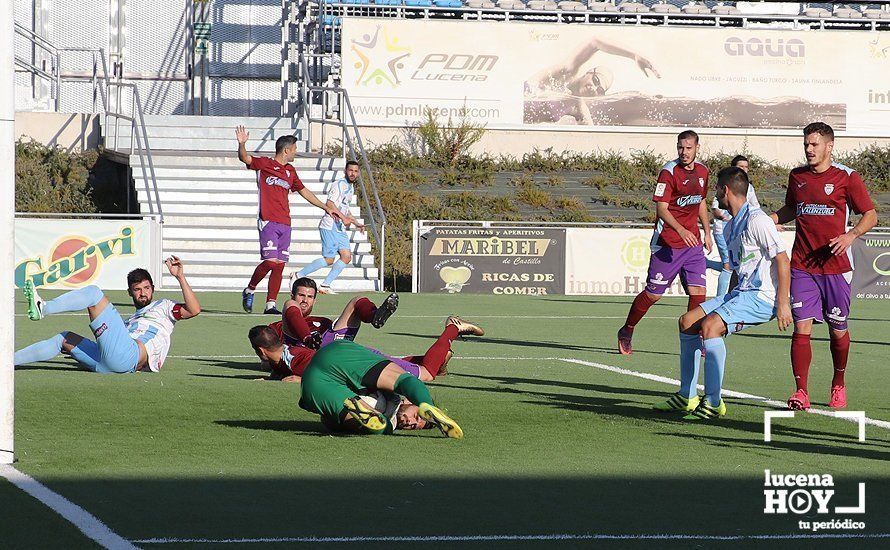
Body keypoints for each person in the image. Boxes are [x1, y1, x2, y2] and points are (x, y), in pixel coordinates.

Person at [654, 167, 792, 418]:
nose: (714, 192)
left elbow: (782, 260)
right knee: (687, 322)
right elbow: (741, 270)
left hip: (763, 297)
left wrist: (783, 304)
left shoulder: (757, 220)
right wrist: (726, 305)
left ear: (725, 190)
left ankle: (714, 402)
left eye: (716, 188)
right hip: (741, 293)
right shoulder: (730, 227)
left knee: (711, 327)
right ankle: (686, 395)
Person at [769, 122, 877, 410]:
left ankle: (838, 382)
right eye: (806, 144)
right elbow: (792, 208)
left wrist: (851, 235)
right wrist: (771, 221)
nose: (809, 149)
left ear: (829, 146)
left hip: (837, 268)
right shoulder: (798, 176)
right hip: (802, 265)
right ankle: (800, 391)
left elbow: (870, 214)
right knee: (801, 327)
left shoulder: (846, 177)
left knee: (837, 330)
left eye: (814, 144)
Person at [14, 257, 201, 373]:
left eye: (146, 288)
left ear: (152, 288)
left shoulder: (164, 306)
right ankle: (8, 362)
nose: (143, 293)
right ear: (130, 292)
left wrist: (180, 277)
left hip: (128, 357)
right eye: (137, 289)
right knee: (63, 339)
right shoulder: (130, 321)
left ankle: (44, 308)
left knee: (95, 293)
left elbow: (194, 310)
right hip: (105, 363)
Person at [617, 130, 712, 355]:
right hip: (667, 244)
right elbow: (661, 208)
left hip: (692, 245)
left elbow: (701, 202)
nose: (684, 152)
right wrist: (679, 230)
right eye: (680, 147)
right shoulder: (668, 172)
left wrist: (707, 232)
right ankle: (627, 329)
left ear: (697, 148)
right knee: (654, 295)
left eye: (688, 148)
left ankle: (694, 340)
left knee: (698, 292)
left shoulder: (703, 171)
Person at [236, 126, 342, 315]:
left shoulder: (290, 171)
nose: (295, 152)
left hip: (285, 223)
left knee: (280, 265)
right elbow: (245, 158)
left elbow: (303, 191)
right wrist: (242, 144)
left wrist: (325, 207)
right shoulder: (266, 164)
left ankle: (270, 304)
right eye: (294, 149)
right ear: (286, 150)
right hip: (268, 220)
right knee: (270, 262)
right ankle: (250, 289)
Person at [298, 339, 464, 438]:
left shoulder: (393, 418)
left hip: (317, 381)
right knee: (401, 383)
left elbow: (327, 422)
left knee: (401, 383)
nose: (409, 421)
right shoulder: (399, 397)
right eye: (416, 415)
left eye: (413, 425)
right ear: (409, 401)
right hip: (339, 359)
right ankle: (427, 405)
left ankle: (424, 404)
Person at [249, 315, 483, 383]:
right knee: (410, 365)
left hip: (360, 363)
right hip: (358, 358)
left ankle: (452, 329)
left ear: (261, 351)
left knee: (425, 375)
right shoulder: (287, 357)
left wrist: (302, 380)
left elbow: (324, 371)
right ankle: (438, 356)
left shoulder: (295, 361)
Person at [524, 37, 660, 125]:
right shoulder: (567, 72)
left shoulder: (579, 106)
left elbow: (591, 132)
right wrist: (634, 55)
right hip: (513, 104)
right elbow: (594, 42)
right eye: (595, 80)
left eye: (600, 89)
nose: (594, 88)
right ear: (588, 73)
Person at [295, 160, 365, 294]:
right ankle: (298, 275)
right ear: (345, 171)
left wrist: (355, 222)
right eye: (350, 170)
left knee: (346, 257)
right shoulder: (338, 185)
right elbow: (330, 204)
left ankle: (325, 285)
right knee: (329, 259)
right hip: (330, 225)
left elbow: (345, 208)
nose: (353, 173)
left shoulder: (350, 188)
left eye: (356, 171)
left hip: (339, 228)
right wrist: (343, 218)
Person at [707, 155, 761, 298]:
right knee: (728, 266)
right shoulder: (725, 185)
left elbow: (755, 207)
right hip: (723, 229)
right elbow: (715, 208)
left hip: (739, 230)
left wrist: (771, 221)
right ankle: (720, 300)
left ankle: (706, 263)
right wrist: (722, 216)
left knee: (735, 265)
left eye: (746, 167)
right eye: (740, 166)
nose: (744, 169)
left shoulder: (749, 188)